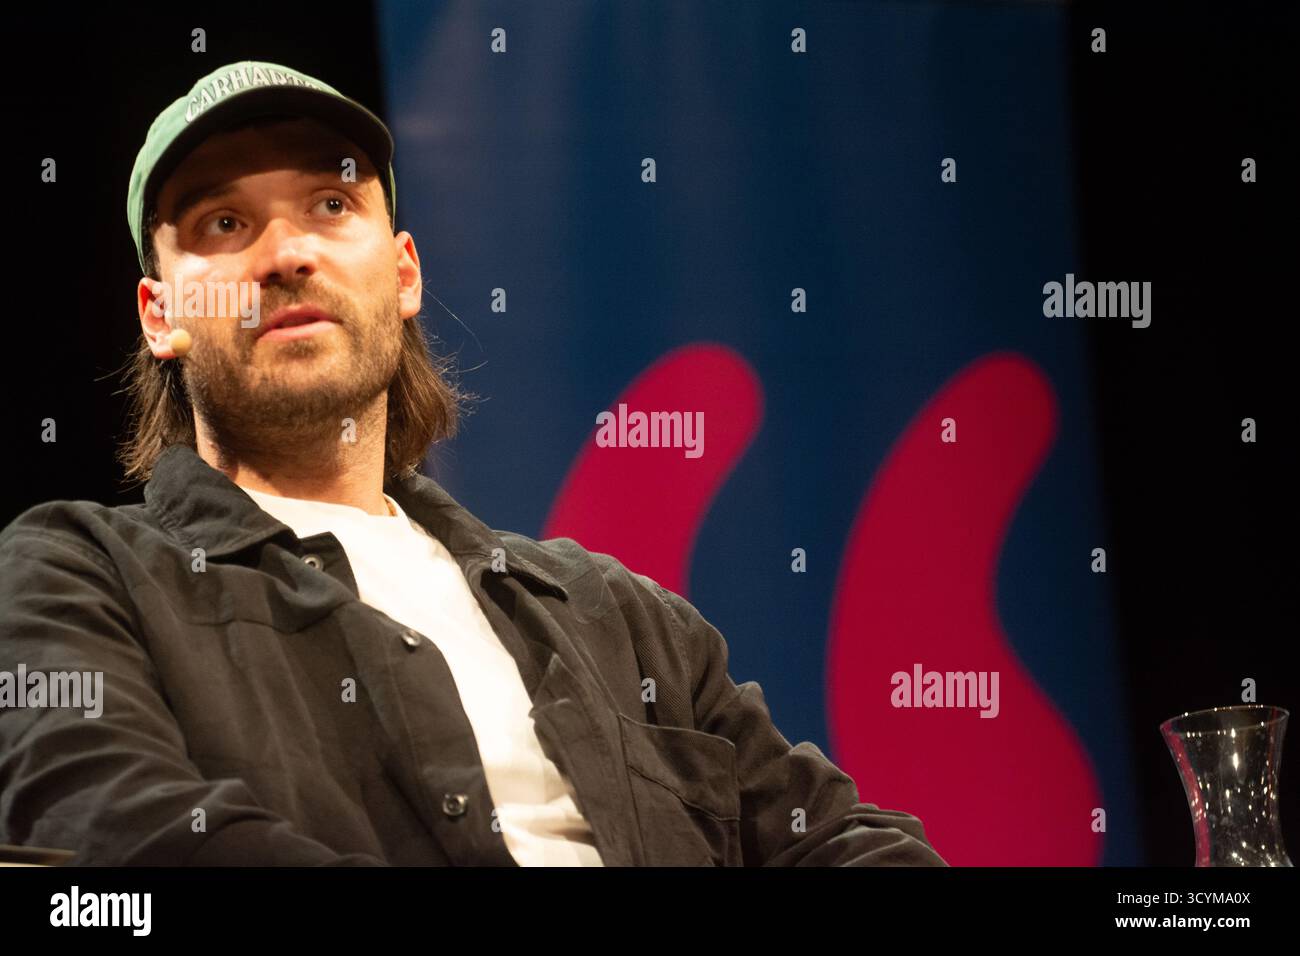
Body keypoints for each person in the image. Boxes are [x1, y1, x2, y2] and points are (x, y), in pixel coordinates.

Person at [0, 60, 946, 866]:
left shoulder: (617, 616)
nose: (285, 253)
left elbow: (835, 836)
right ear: (158, 315)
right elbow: (115, 838)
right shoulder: (75, 575)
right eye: (221, 223)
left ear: (404, 273)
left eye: (331, 204)